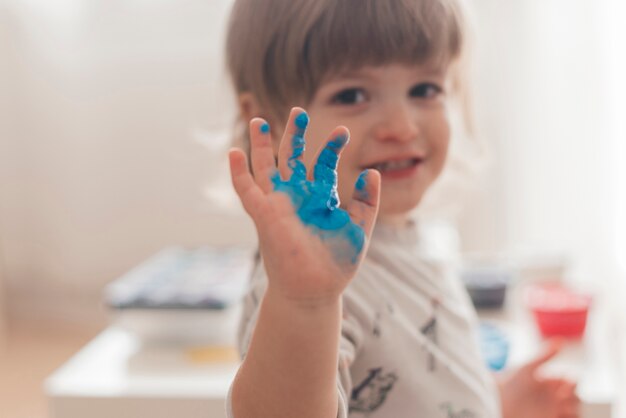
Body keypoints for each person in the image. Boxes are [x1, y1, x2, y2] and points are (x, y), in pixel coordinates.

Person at [224, 0, 579, 417]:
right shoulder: (306, 280)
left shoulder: (426, 237)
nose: (402, 126)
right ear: (268, 120)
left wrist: (494, 402)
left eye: (425, 89)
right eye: (352, 95)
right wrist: (304, 303)